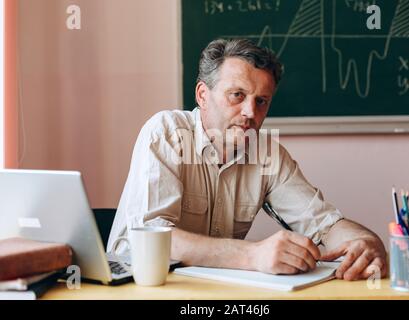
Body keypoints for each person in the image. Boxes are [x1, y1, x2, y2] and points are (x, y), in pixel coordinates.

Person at [107, 38, 387, 280]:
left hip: (213, 292)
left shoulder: (267, 154)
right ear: (203, 95)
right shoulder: (166, 132)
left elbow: (324, 224)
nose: (251, 112)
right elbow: (152, 238)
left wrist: (364, 242)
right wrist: (253, 255)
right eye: (237, 95)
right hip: (137, 288)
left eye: (261, 101)